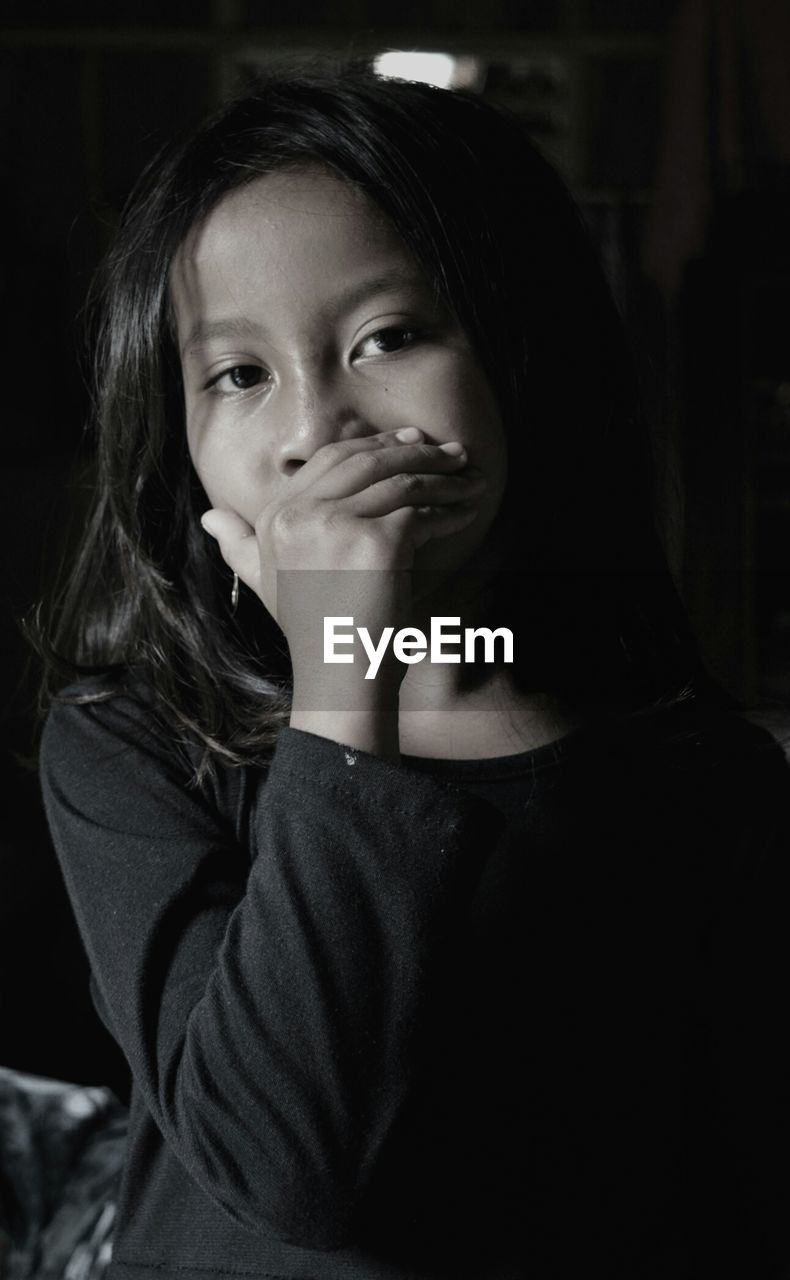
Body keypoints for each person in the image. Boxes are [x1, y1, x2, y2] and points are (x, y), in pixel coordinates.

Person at [37, 66, 790, 1280]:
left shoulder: (699, 779)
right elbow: (293, 1163)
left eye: (387, 336)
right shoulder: (137, 744)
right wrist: (345, 663)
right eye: (240, 374)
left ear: (521, 356)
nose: (317, 425)